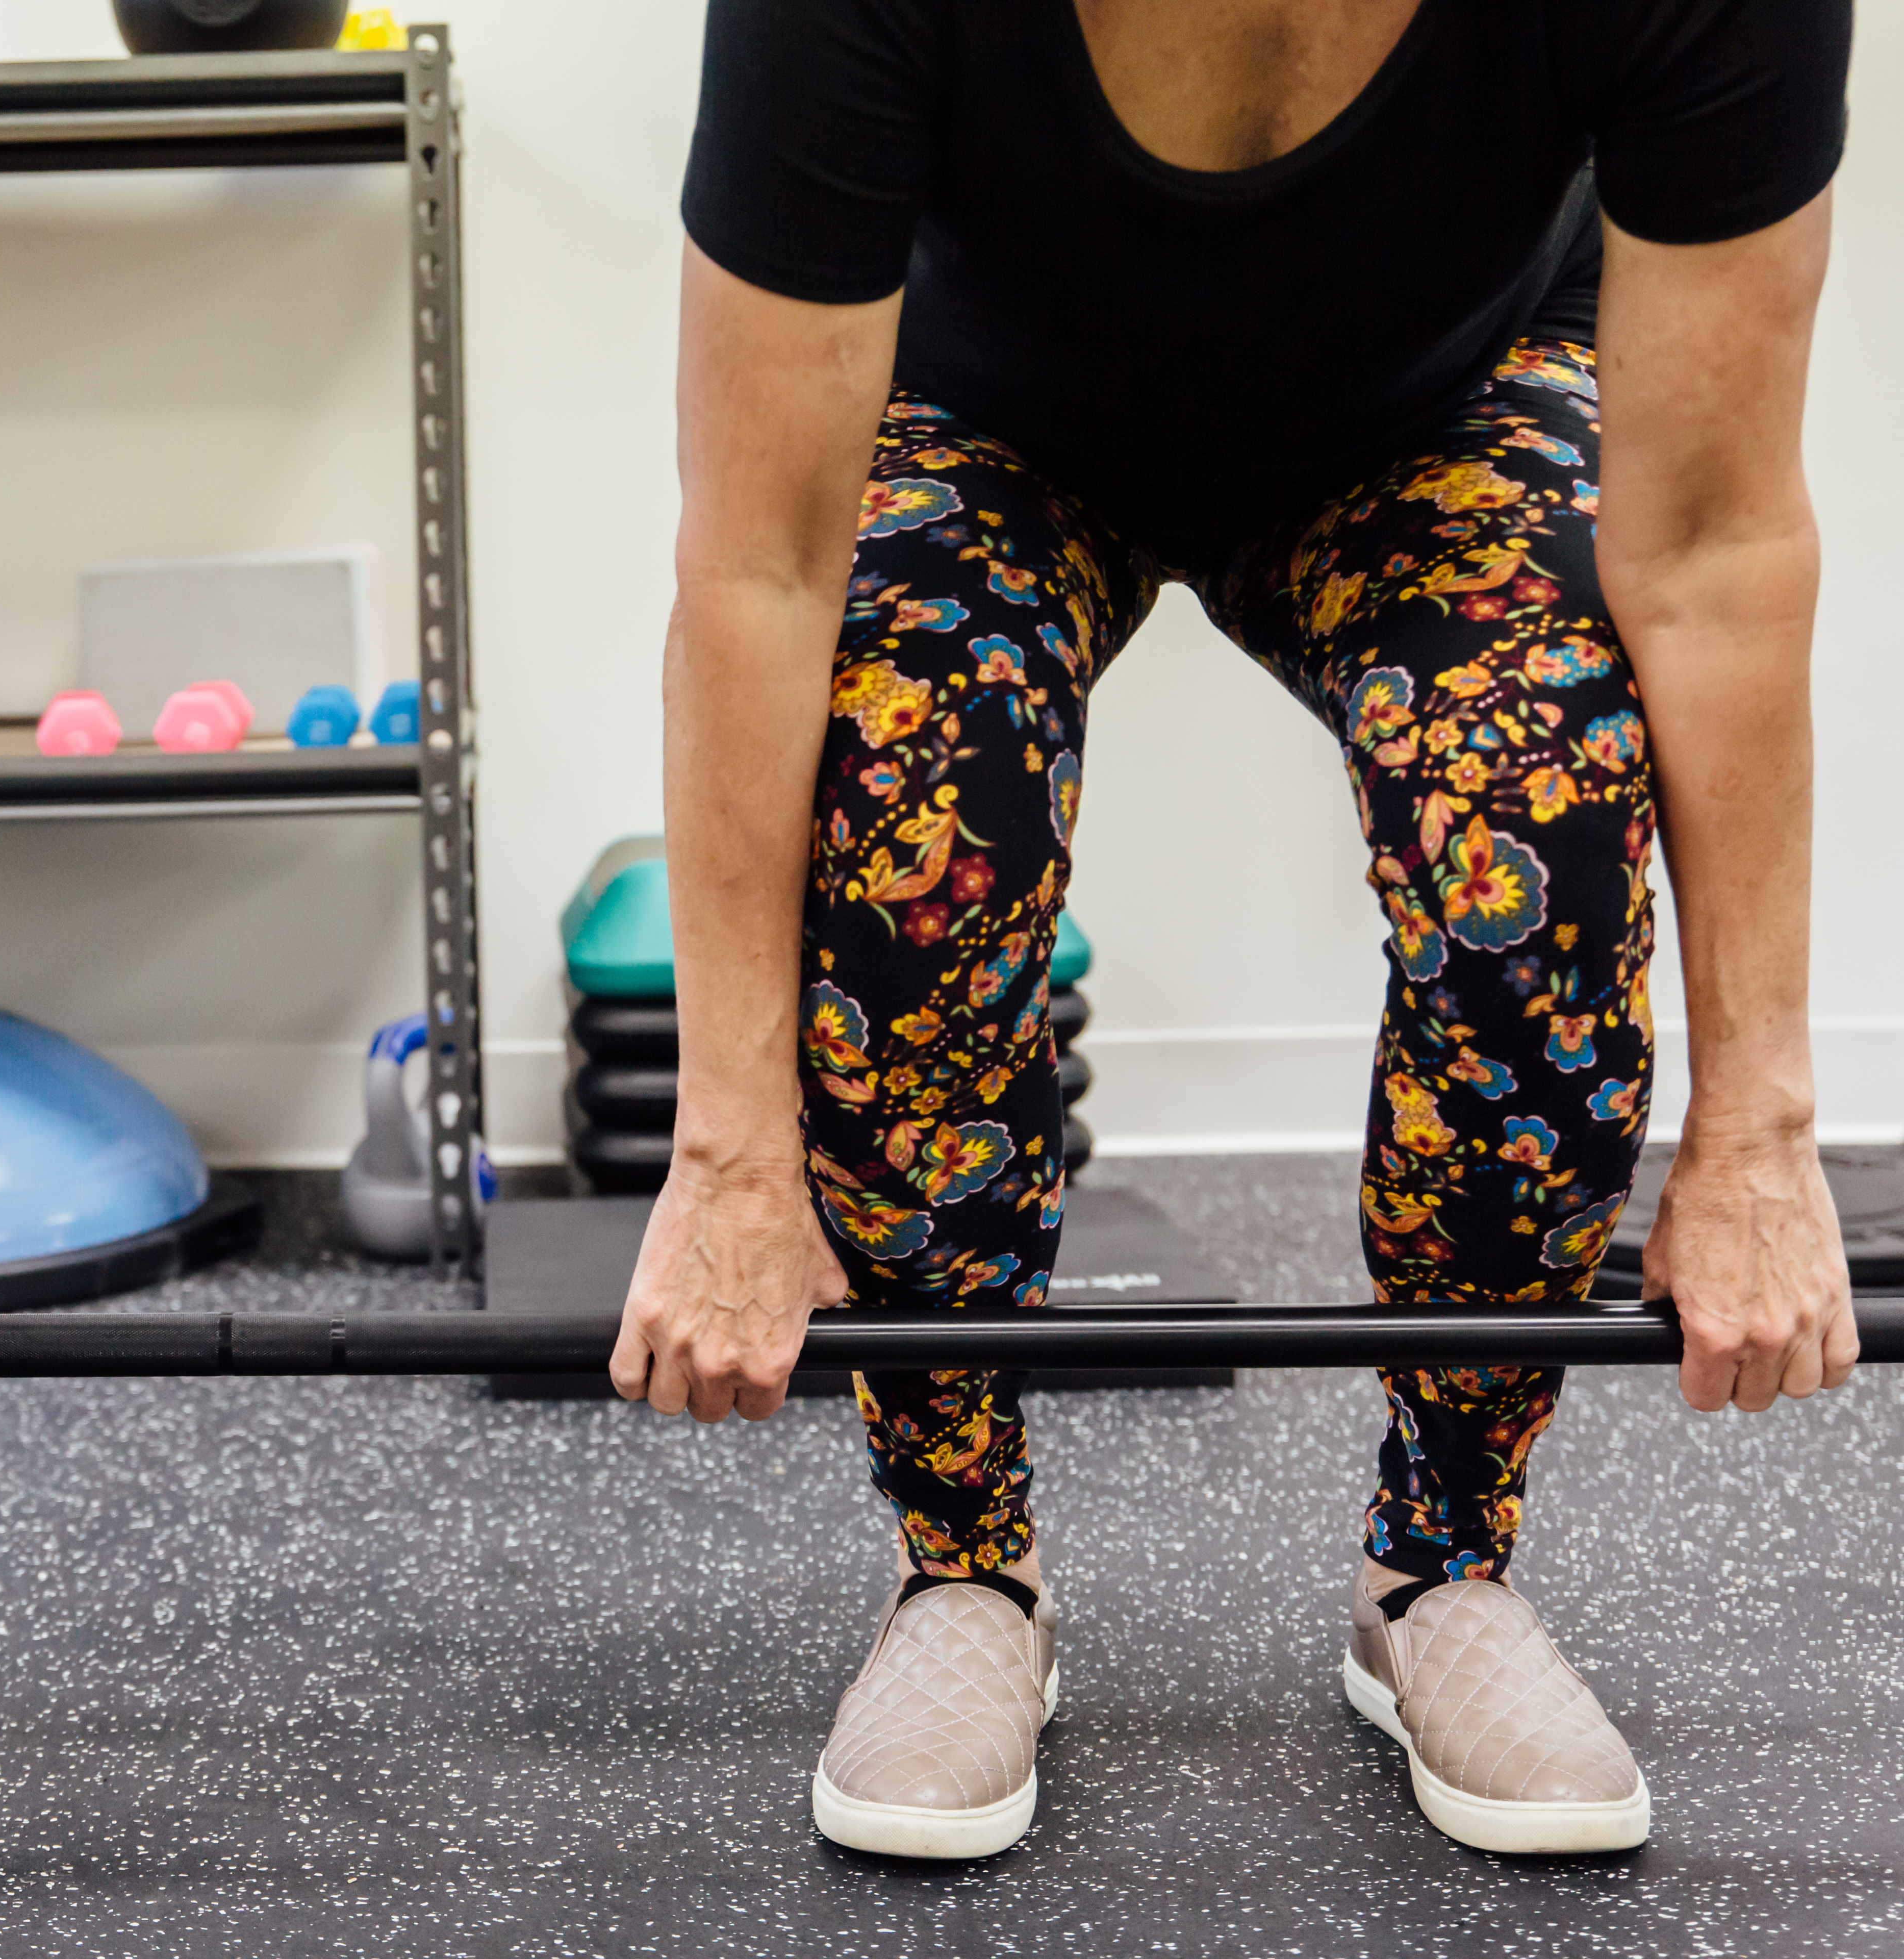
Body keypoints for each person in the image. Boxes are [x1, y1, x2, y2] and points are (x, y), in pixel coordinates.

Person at [611, 0, 1861, 1860]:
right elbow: (762, 569)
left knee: (1538, 804)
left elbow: (1714, 552)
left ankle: (1440, 1568)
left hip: (1441, 400)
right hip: (990, 415)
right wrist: (730, 1149)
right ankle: (966, 1570)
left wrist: (1758, 1122)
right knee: (909, 781)